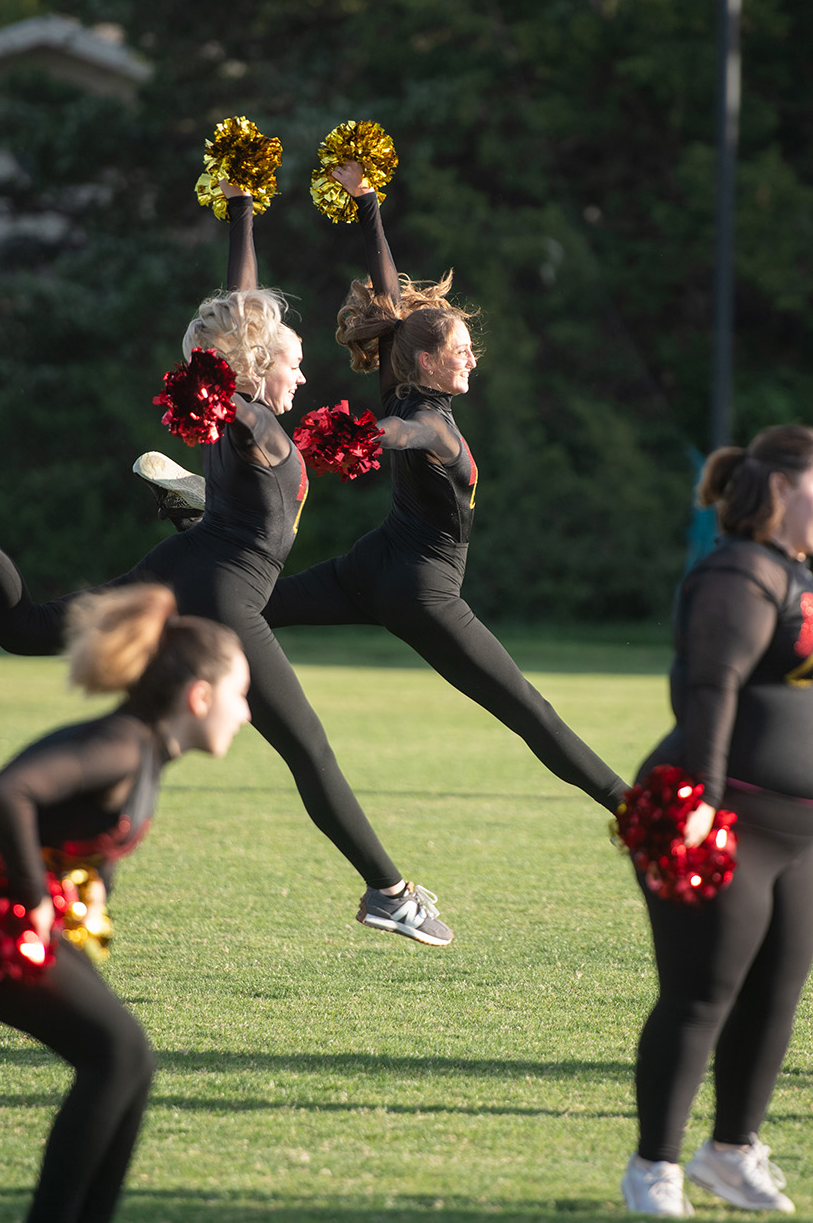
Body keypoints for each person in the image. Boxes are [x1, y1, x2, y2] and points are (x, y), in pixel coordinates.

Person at [0, 181, 450, 945]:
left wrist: (243, 208)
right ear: (256, 364)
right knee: (307, 747)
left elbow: (240, 302)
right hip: (224, 595)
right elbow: (228, 374)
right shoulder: (248, 418)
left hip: (188, 562)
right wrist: (214, 394)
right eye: (295, 362)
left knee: (27, 628)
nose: (303, 375)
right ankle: (390, 892)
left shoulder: (257, 410)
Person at [0, 584, 249, 1223]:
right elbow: (9, 793)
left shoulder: (146, 751)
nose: (248, 712)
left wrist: (89, 900)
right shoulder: (118, 744)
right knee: (116, 1053)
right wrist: (35, 894)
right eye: (241, 694)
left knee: (127, 1056)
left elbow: (90, 839)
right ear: (199, 697)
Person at [250, 161, 629, 813]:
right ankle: (632, 808)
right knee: (530, 711)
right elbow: (407, 435)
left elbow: (390, 297)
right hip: (424, 595)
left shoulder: (402, 386)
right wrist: (368, 438)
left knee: (244, 607)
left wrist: (368, 203)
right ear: (427, 359)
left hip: (369, 569)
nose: (472, 359)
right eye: (461, 351)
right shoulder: (428, 422)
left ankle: (198, 546)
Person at [621, 424, 813, 1218]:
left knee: (774, 994)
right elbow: (710, 687)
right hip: (719, 818)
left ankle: (729, 1152)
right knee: (701, 994)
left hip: (793, 837)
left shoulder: (797, 575)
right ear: (784, 489)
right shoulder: (737, 570)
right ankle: (653, 1166)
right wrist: (704, 802)